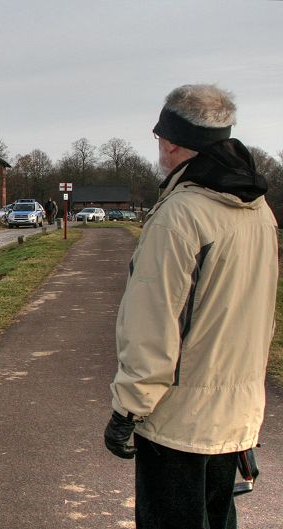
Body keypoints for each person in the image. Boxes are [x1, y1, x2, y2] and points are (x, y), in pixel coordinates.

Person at [103, 84, 278, 528]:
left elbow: (154, 326)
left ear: (174, 141)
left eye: (161, 137)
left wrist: (127, 410)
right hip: (234, 414)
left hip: (178, 419)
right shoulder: (258, 210)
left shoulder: (181, 215)